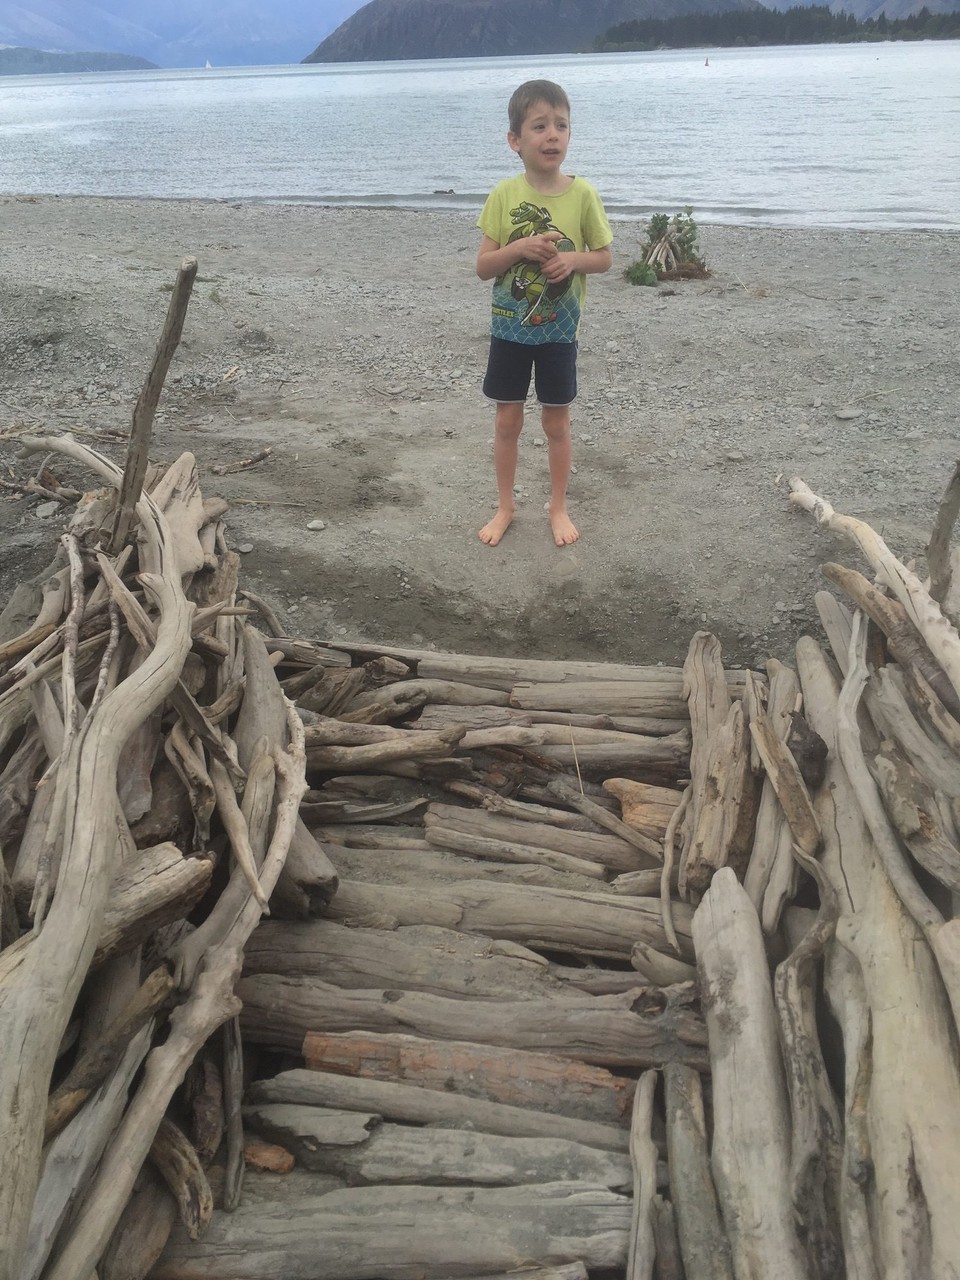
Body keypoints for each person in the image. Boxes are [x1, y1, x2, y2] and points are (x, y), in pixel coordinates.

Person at [476, 79, 613, 547]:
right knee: (507, 421)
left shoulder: (583, 195)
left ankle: (557, 506)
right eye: (539, 126)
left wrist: (572, 260)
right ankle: (505, 506)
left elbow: (605, 257)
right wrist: (517, 248)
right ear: (516, 140)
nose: (552, 135)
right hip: (509, 330)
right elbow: (482, 267)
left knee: (556, 422)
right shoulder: (503, 195)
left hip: (559, 332)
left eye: (561, 125)